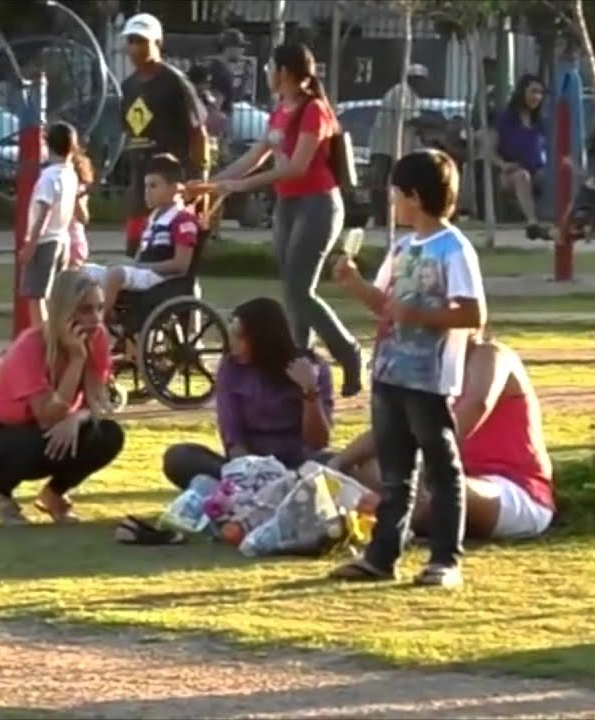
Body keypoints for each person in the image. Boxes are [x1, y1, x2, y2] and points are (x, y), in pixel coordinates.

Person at [328, 148, 487, 588]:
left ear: (414, 197)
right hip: (390, 372)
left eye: (396, 193)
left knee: (441, 467)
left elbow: (474, 314)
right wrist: (354, 284)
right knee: (395, 472)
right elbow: (387, 307)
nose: (391, 201)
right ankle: (383, 555)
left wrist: (421, 317)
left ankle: (445, 559)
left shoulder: (454, 249)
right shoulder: (402, 247)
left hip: (428, 377)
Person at [207, 42, 364, 398]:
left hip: (317, 205)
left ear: (286, 71)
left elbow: (296, 167)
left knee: (298, 289)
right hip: (289, 206)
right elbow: (255, 155)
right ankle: (302, 362)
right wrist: (214, 185)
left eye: (270, 67)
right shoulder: (281, 109)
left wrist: (242, 185)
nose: (266, 73)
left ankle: (348, 352)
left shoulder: (314, 110)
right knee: (293, 292)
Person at [330, 333, 554, 540]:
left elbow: (477, 405)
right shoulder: (432, 370)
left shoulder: (491, 355)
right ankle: (384, 516)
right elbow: (396, 428)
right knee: (367, 469)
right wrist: (338, 464)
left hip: (512, 489)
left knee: (429, 487)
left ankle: (387, 524)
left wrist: (419, 462)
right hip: (452, 477)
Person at [0, 270, 124, 525]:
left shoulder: (97, 336)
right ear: (63, 312)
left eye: (99, 308)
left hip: (54, 429)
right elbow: (46, 414)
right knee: (38, 436)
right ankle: (0, 493)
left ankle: (53, 495)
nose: (95, 319)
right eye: (85, 310)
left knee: (109, 434)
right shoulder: (30, 345)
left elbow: (100, 402)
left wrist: (77, 418)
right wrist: (76, 359)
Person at [162, 296, 335, 489]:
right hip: (249, 467)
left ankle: (282, 487)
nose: (232, 343)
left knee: (336, 463)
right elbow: (233, 439)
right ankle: (268, 489)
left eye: (240, 337)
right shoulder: (231, 367)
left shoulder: (310, 367)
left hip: (300, 465)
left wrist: (310, 393)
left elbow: (318, 442)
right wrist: (253, 473)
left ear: (263, 338)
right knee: (179, 457)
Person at [119, 13, 210, 258]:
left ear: (157, 44)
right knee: (136, 256)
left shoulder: (175, 82)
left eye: (141, 41)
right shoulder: (127, 87)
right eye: (130, 41)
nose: (134, 48)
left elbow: (198, 131)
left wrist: (199, 179)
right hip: (141, 186)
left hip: (172, 184)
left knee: (170, 256)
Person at [80, 154, 198, 321]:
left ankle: (98, 323)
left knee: (116, 274)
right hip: (144, 272)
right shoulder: (151, 218)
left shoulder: (182, 219)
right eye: (146, 186)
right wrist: (131, 263)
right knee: (82, 271)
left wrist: (140, 265)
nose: (147, 192)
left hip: (162, 280)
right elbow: (139, 256)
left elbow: (181, 265)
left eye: (154, 186)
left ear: (174, 189)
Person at [19, 122, 80, 327]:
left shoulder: (49, 177)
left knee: (36, 296)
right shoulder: (70, 174)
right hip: (62, 238)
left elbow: (43, 212)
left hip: (46, 240)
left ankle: (42, 339)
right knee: (53, 294)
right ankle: (53, 334)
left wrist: (31, 243)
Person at [489, 74, 551, 240]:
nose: (536, 97)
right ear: (522, 92)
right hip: (510, 173)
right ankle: (532, 223)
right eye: (533, 91)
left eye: (540, 93)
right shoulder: (505, 119)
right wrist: (503, 165)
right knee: (522, 176)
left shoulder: (539, 122)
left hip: (537, 170)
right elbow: (489, 152)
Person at [366, 63, 429, 227]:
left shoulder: (413, 96)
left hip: (397, 146)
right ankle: (381, 219)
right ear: (411, 78)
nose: (422, 84)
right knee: (382, 184)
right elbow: (410, 120)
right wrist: (432, 125)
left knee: (391, 184)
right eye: (419, 80)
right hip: (386, 145)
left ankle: (389, 219)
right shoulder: (401, 93)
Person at [67, 151, 95, 270]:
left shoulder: (79, 190)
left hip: (74, 242)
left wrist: (76, 199)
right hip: (61, 241)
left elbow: (83, 218)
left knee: (70, 281)